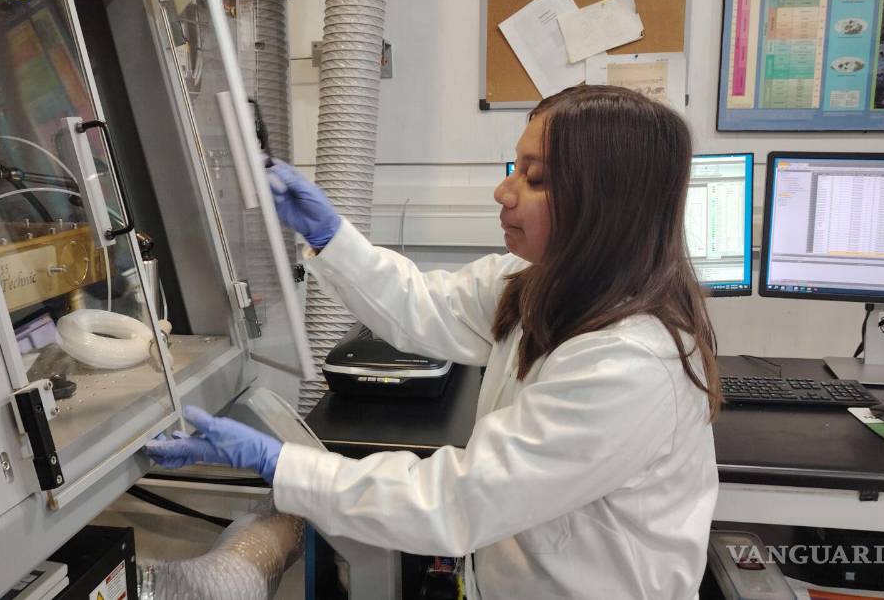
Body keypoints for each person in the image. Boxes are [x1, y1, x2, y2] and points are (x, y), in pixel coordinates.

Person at [145, 85, 721, 598]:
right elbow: (422, 305)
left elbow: (456, 502)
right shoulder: (541, 283)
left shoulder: (630, 363)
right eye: (514, 169)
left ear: (607, 203)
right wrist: (330, 234)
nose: (503, 191)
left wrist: (281, 464)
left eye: (535, 178)